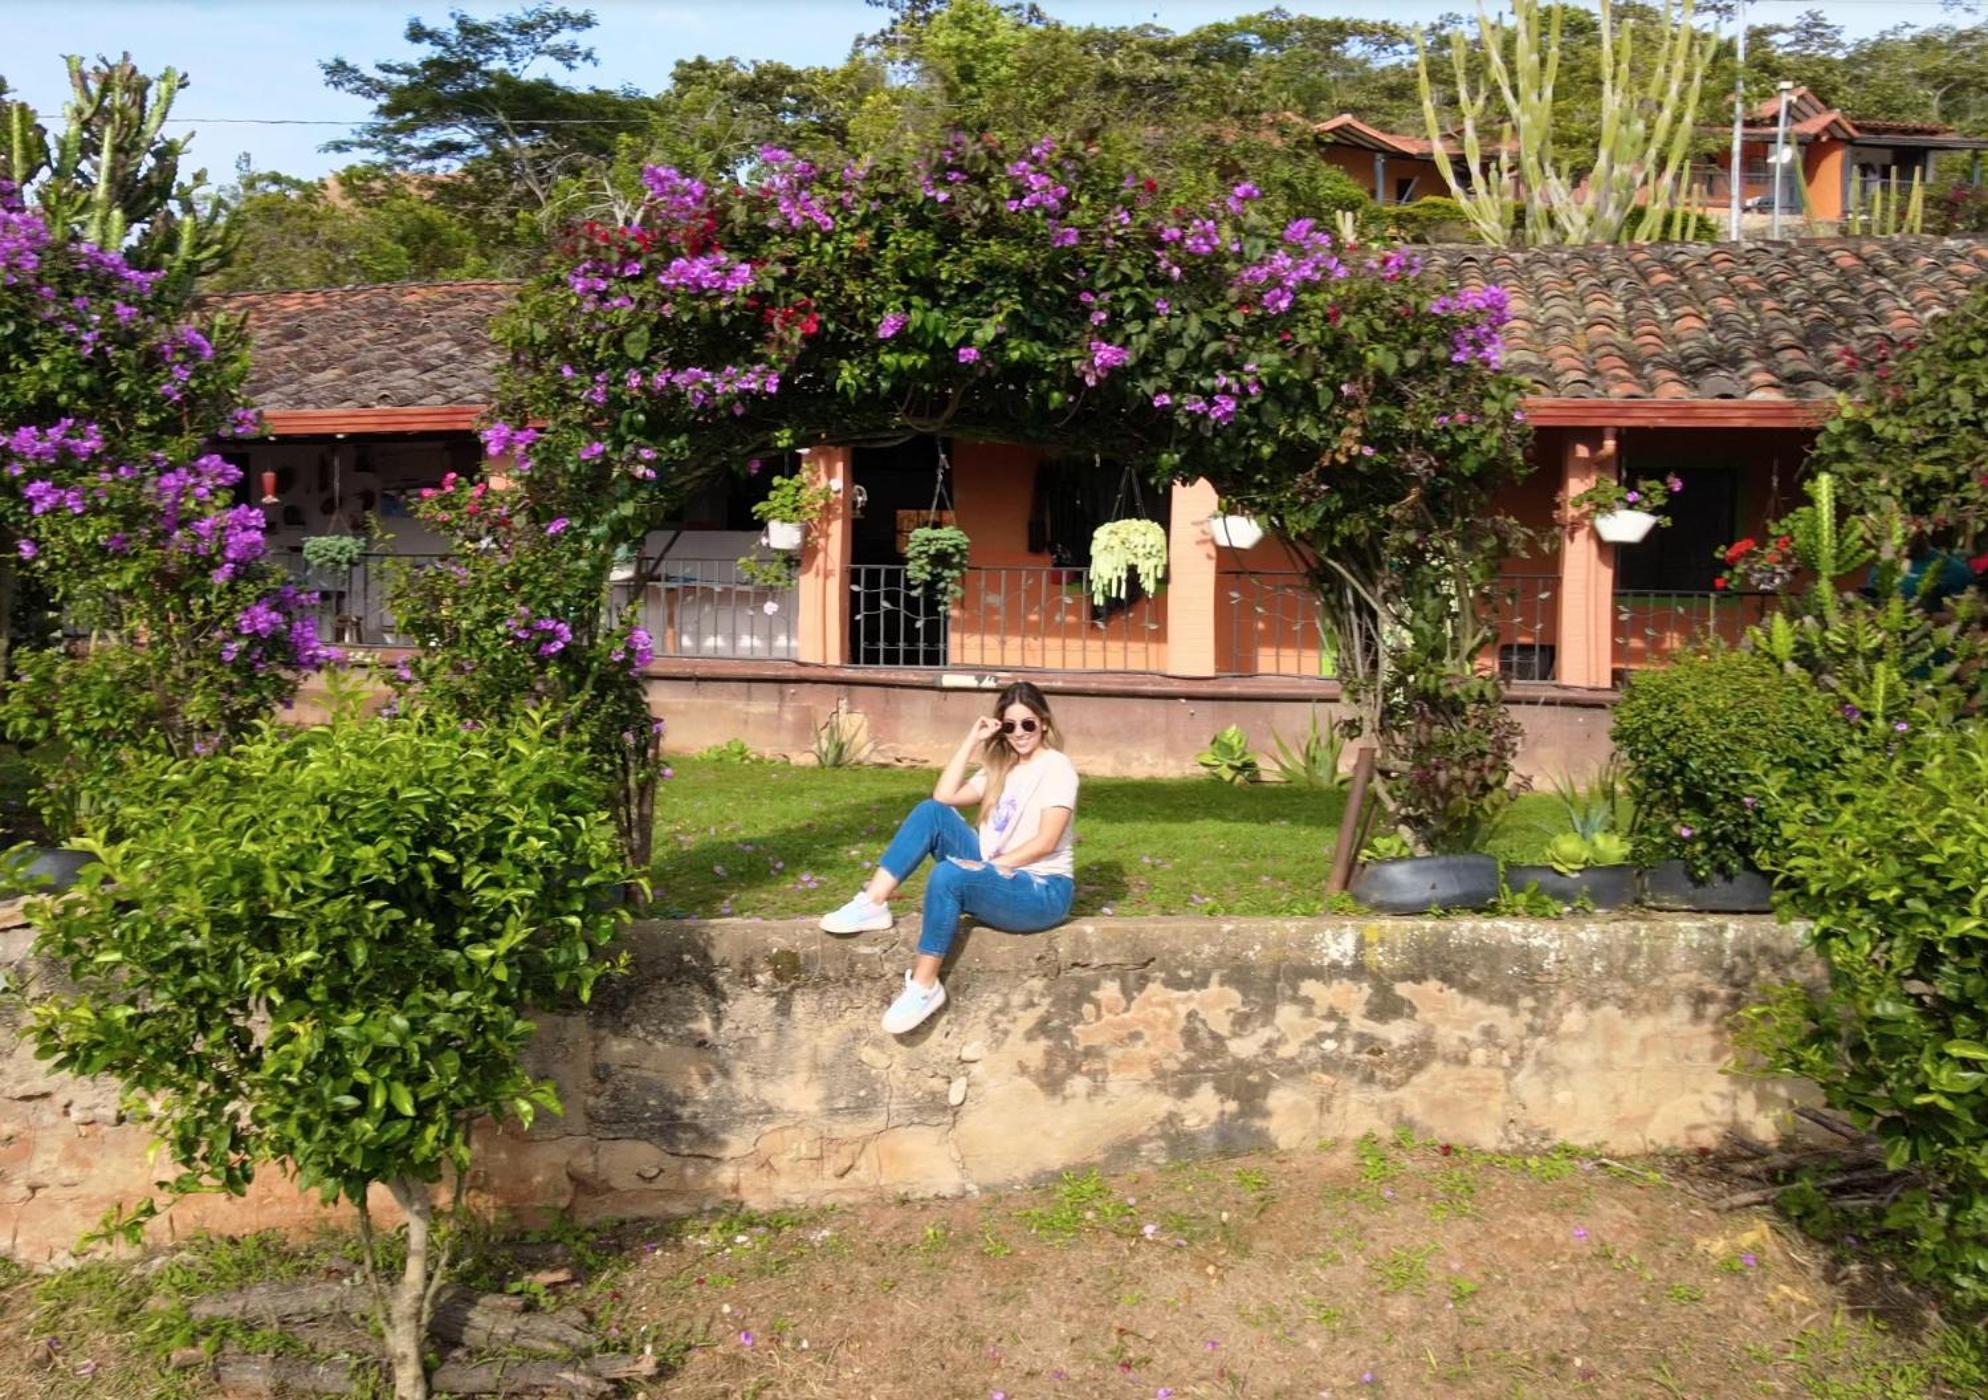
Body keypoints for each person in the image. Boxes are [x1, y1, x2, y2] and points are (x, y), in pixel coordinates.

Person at [819, 681, 1078, 1033]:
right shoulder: (1000, 768)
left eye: (1028, 724)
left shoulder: (1057, 768)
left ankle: (925, 987)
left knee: (949, 875)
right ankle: (873, 902)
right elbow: (944, 795)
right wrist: (972, 740)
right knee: (931, 812)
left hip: (1041, 890)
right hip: (997, 874)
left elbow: (1046, 842)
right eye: (1010, 725)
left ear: (1044, 723)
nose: (1020, 733)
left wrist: (985, 869)